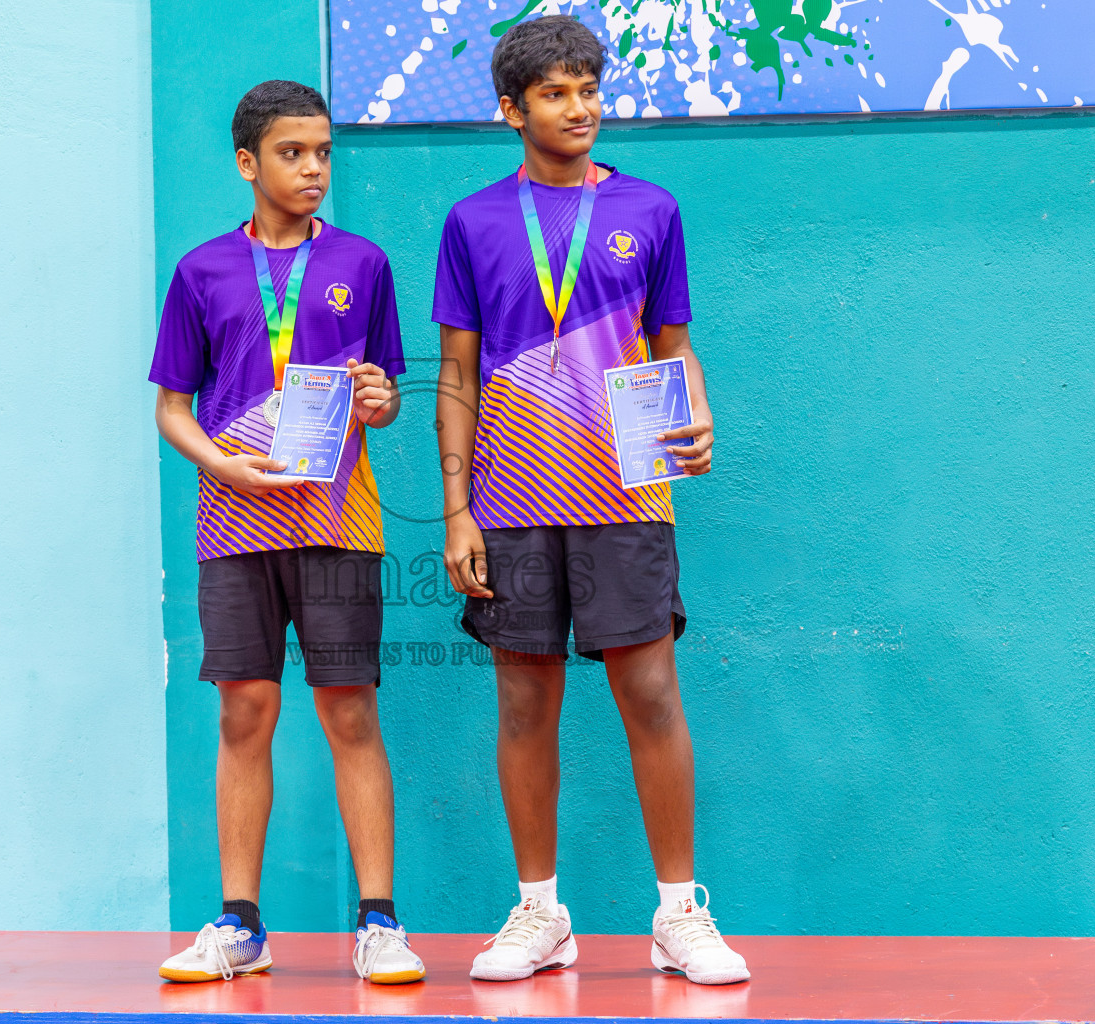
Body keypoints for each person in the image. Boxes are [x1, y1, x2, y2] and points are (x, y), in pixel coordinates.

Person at [431, 17, 749, 986]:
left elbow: (673, 345)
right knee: (525, 704)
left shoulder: (650, 209)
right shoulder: (474, 221)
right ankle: (539, 911)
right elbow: (455, 373)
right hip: (513, 496)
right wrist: (455, 509)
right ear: (512, 109)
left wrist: (696, 411)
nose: (581, 109)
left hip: (626, 492)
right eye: (559, 93)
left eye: (589, 90)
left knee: (650, 694)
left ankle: (678, 914)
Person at [150, 79, 423, 986]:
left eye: (323, 154)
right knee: (245, 711)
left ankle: (379, 922)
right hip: (233, 523)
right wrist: (217, 465)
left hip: (339, 522)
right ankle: (240, 923)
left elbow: (379, 393)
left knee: (349, 710)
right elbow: (172, 408)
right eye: (292, 154)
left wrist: (382, 400)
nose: (313, 170)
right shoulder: (200, 272)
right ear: (247, 163)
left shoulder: (364, 262)